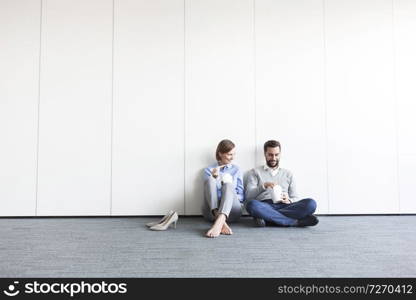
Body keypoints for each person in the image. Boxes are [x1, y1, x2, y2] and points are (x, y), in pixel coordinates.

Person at [245, 140, 318, 227]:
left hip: (286, 206)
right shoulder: (254, 172)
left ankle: (267, 218)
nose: (274, 158)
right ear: (265, 154)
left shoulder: (288, 173)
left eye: (276, 155)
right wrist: (264, 186)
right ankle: (294, 222)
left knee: (311, 203)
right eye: (270, 155)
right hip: (265, 206)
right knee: (252, 205)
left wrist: (289, 200)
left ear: (280, 154)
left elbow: (295, 197)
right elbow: (249, 196)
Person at [203, 139, 244, 237]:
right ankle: (221, 222)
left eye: (234, 154)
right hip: (211, 212)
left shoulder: (236, 169)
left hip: (232, 211)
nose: (232, 158)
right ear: (220, 153)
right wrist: (215, 178)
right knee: (210, 180)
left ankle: (219, 222)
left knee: (228, 185)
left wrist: (227, 197)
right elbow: (208, 194)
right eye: (230, 154)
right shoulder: (209, 170)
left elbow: (241, 196)